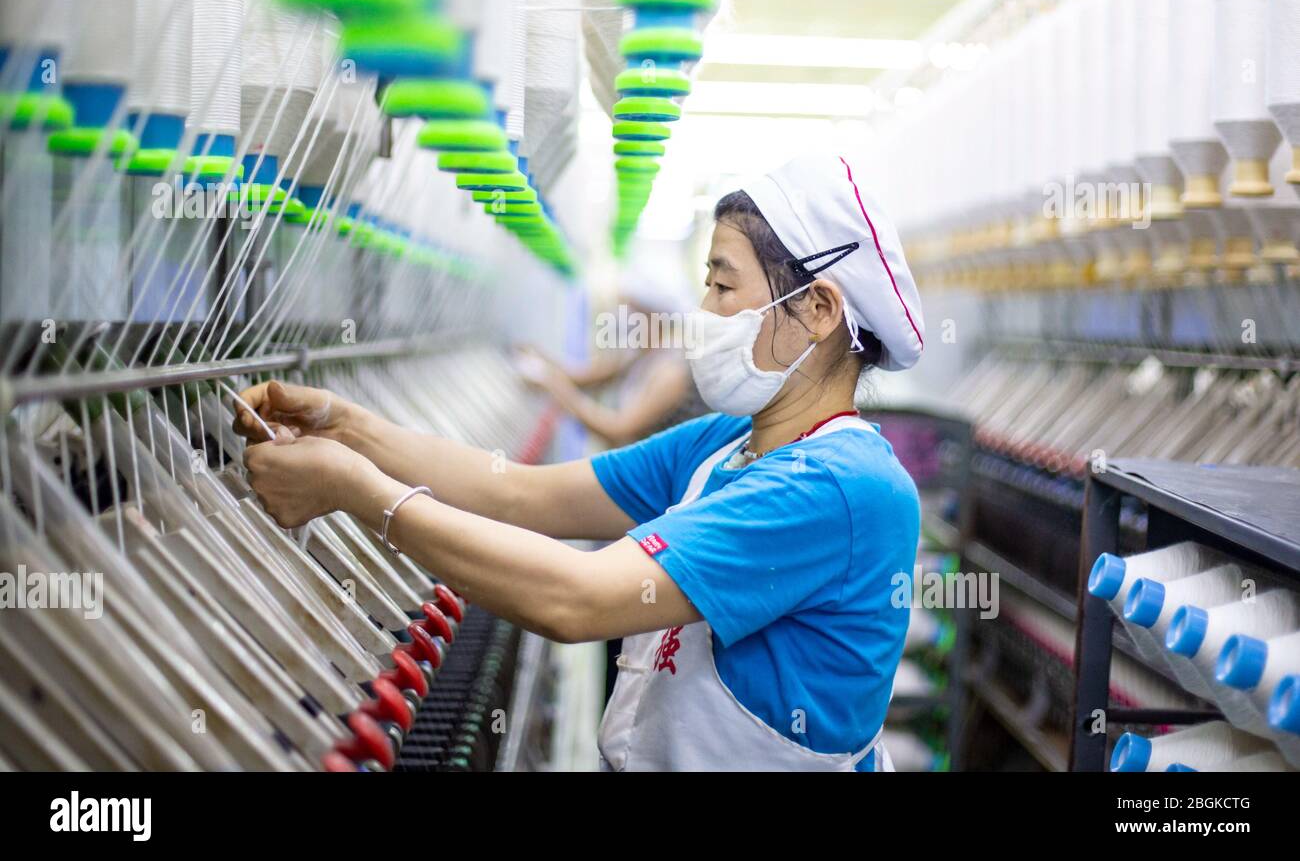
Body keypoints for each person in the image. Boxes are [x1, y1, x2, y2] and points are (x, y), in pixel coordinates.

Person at [237, 153, 926, 771]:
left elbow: (577, 597)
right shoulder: (723, 443)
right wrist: (348, 426)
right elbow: (516, 493)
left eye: (722, 285)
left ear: (818, 308)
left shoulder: (839, 487)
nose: (703, 309)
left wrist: (358, 491)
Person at [516, 271, 706, 447]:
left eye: (632, 312)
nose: (623, 318)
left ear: (654, 317)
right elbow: (582, 378)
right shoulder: (637, 353)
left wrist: (555, 386)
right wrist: (541, 359)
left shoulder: (671, 372)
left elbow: (619, 431)